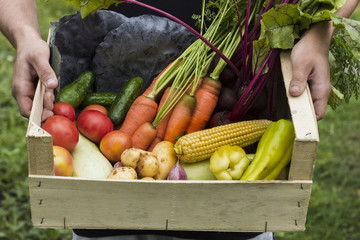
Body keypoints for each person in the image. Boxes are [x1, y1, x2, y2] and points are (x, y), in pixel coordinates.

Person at [0, 1, 358, 240]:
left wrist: (319, 31)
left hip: (235, 211)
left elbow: (324, 7)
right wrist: (24, 33)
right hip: (102, 208)